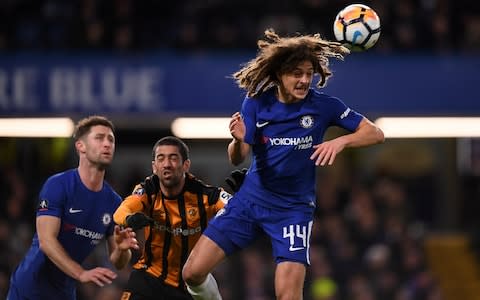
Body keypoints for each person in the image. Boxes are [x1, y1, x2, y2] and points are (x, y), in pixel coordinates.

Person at [182, 28, 385, 300]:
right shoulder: (255, 103)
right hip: (250, 201)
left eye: (308, 73)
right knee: (191, 273)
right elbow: (237, 157)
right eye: (295, 73)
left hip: (292, 211)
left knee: (288, 296)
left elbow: (375, 132)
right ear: (279, 74)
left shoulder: (324, 106)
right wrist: (238, 140)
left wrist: (340, 142)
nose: (303, 80)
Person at [7, 115, 139, 300]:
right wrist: (80, 273)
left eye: (111, 139)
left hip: (65, 292)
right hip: (30, 287)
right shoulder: (58, 185)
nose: (107, 144)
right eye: (99, 138)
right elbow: (47, 241)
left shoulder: (115, 203)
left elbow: (118, 262)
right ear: (80, 146)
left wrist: (122, 249)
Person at [113, 136, 233, 300]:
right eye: (161, 159)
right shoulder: (148, 191)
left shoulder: (206, 195)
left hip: (188, 287)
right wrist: (129, 219)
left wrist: (245, 195)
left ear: (186, 165)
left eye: (173, 158)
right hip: (149, 278)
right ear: (154, 167)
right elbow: (120, 212)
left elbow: (237, 211)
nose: (167, 164)